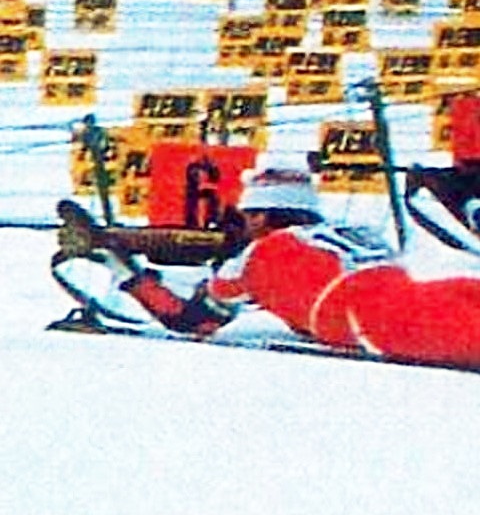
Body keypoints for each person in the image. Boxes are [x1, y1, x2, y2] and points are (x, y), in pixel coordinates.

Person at [53, 155, 480, 370]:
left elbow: (191, 321)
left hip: (387, 323)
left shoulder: (256, 258)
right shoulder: (353, 230)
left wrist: (124, 270)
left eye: (246, 216)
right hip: (444, 292)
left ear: (260, 216)